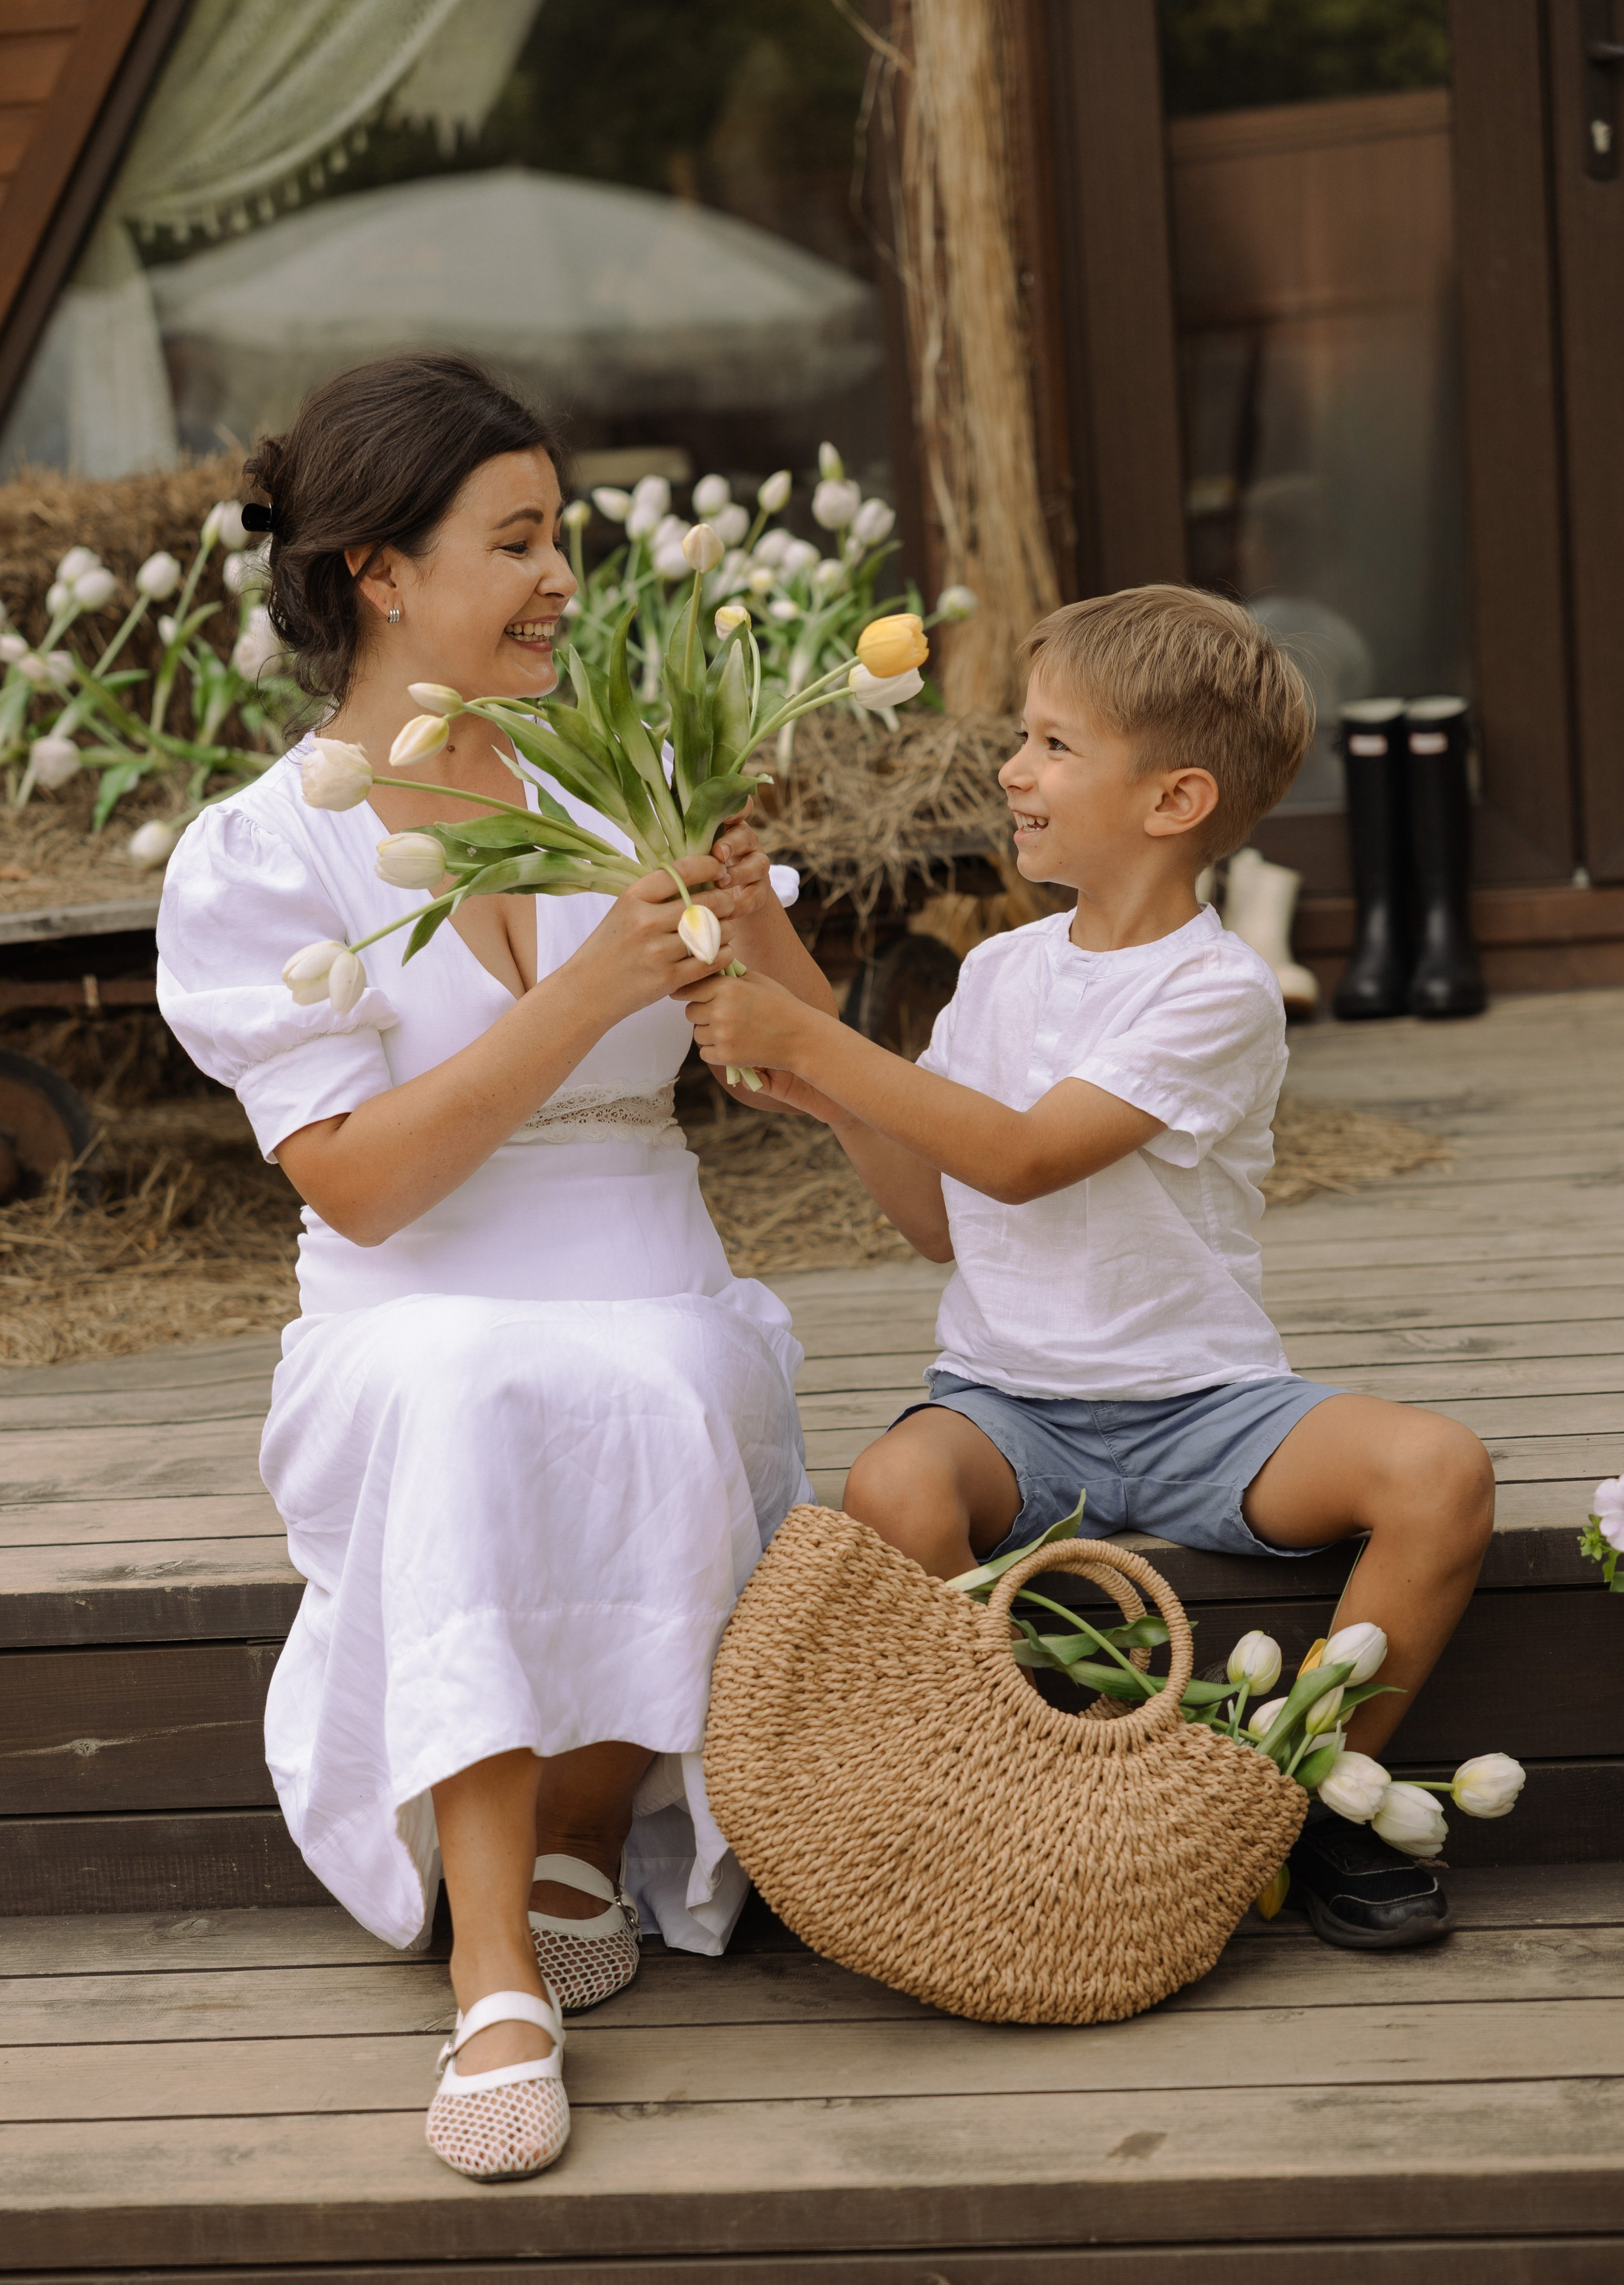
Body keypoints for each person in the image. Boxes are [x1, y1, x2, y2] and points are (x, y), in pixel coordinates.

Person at [156, 352, 831, 2183]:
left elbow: (789, 1063)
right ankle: (492, 1974)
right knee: (468, 1393)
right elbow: (362, 1188)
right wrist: (593, 991)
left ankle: (581, 1839)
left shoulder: (626, 776)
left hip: (652, 1270)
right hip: (411, 1308)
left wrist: (747, 924)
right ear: (379, 571)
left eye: (560, 537)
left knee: (677, 1381)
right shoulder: (264, 850)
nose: (559, 579)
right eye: (516, 540)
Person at [681, 583, 1495, 1954]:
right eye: (1024, 738)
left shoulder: (1214, 991)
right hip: (1009, 1408)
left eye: (1053, 745)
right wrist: (761, 937)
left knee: (1440, 1473)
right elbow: (938, 1218)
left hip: (1204, 1408)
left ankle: (1309, 1794)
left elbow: (1019, 1160)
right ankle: (1030, 1783)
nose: (1014, 768)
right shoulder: (997, 974)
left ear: (1174, 800)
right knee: (890, 1486)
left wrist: (815, 1048)